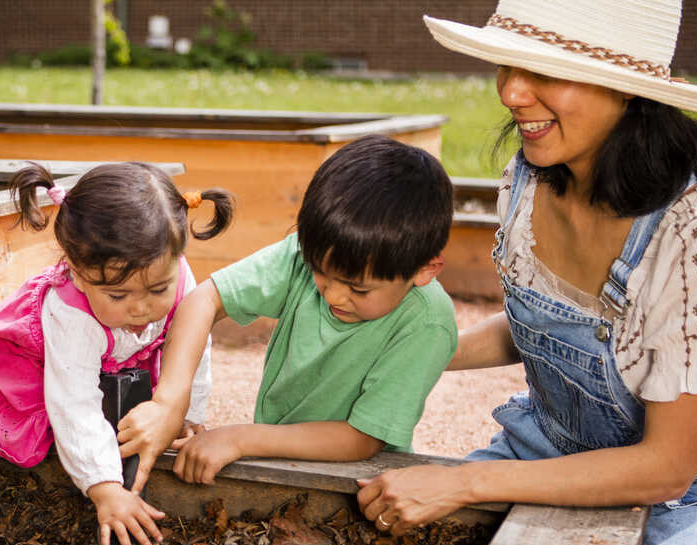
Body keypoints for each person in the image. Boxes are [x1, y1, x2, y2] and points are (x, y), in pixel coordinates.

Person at [355, 0, 697, 545]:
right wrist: (411, 351)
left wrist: (469, 481)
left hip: (691, 484)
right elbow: (542, 327)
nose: (511, 92)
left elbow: (665, 466)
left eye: (546, 72)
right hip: (556, 443)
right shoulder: (536, 173)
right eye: (510, 65)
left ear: (628, 90)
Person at [118, 135, 457, 490]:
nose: (333, 294)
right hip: (274, 455)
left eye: (358, 288)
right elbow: (204, 300)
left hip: (358, 482)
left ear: (424, 270)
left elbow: (362, 439)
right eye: (320, 271)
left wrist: (239, 439)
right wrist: (170, 403)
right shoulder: (308, 253)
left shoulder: (427, 322)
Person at [0, 161, 233, 545]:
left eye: (157, 289)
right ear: (78, 272)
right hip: (42, 367)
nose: (141, 308)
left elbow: (193, 347)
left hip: (112, 360)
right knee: (62, 422)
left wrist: (189, 411)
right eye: (119, 296)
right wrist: (105, 487)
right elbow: (73, 403)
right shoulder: (71, 315)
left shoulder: (176, 274)